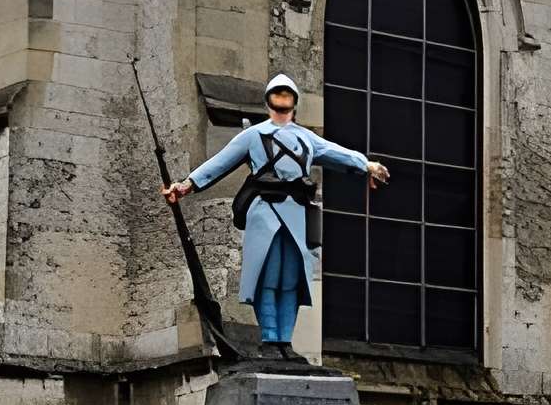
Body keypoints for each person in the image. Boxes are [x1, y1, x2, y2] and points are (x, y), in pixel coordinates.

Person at [164, 73, 390, 361]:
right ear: (269, 98)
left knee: (291, 278)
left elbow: (337, 153)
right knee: (267, 275)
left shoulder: (306, 137)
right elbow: (219, 162)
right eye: (277, 92)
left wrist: (366, 165)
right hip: (265, 211)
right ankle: (270, 339)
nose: (282, 97)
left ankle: (285, 341)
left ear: (294, 100)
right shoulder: (253, 135)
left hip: (297, 212)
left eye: (287, 93)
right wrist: (185, 186)